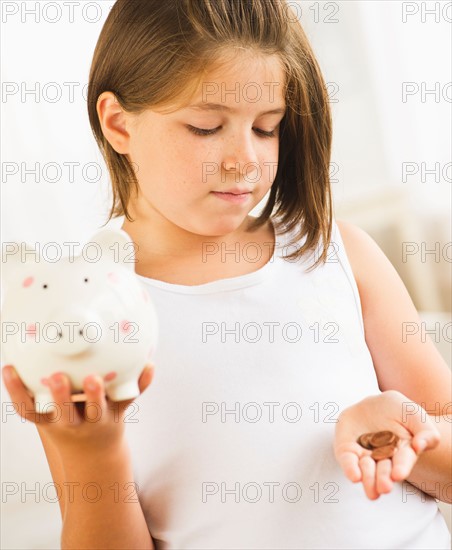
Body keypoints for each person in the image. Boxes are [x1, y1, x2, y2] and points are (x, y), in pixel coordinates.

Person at [2, 0, 451, 548]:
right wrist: (90, 454)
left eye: (267, 128)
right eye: (206, 127)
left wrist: (404, 433)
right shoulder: (84, 315)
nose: (245, 160)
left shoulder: (336, 253)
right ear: (118, 124)